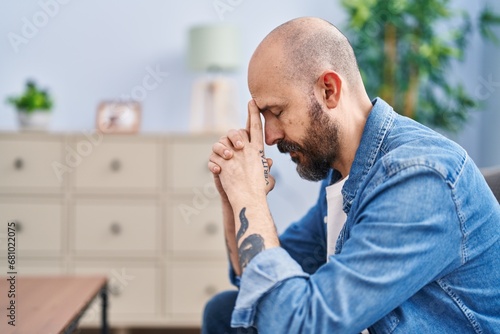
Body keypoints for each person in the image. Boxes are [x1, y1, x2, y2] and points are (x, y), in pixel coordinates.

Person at [203, 17, 500, 334]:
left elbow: (299, 325)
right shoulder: (344, 172)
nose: (270, 137)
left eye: (276, 112)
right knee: (225, 311)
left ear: (328, 90)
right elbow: (257, 281)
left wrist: (251, 198)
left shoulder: (419, 177)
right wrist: (233, 195)